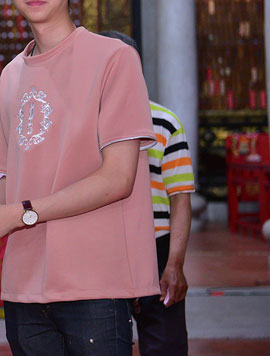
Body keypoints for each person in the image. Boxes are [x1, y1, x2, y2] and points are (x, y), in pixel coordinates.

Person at [0, 0, 160, 356]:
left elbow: (118, 178)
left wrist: (17, 215)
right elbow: (13, 184)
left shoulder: (114, 58)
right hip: (25, 287)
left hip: (96, 282)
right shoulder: (11, 75)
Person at [101, 30, 194, 356]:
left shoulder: (165, 123)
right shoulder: (83, 125)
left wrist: (174, 264)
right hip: (102, 248)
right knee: (101, 342)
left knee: (165, 344)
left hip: (156, 246)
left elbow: (180, 199)